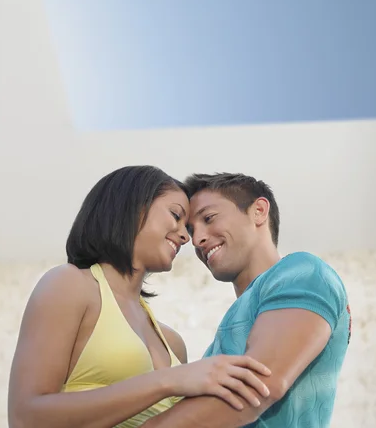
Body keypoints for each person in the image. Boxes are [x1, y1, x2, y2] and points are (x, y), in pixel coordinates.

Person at [8, 166, 273, 428]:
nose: (185, 237)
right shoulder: (69, 285)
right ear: (132, 208)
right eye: (175, 215)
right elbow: (25, 417)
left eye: (187, 229)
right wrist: (169, 381)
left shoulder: (172, 343)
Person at [144, 172, 351, 428]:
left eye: (209, 218)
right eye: (191, 230)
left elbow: (261, 384)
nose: (197, 239)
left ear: (259, 211)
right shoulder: (228, 331)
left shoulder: (303, 271)